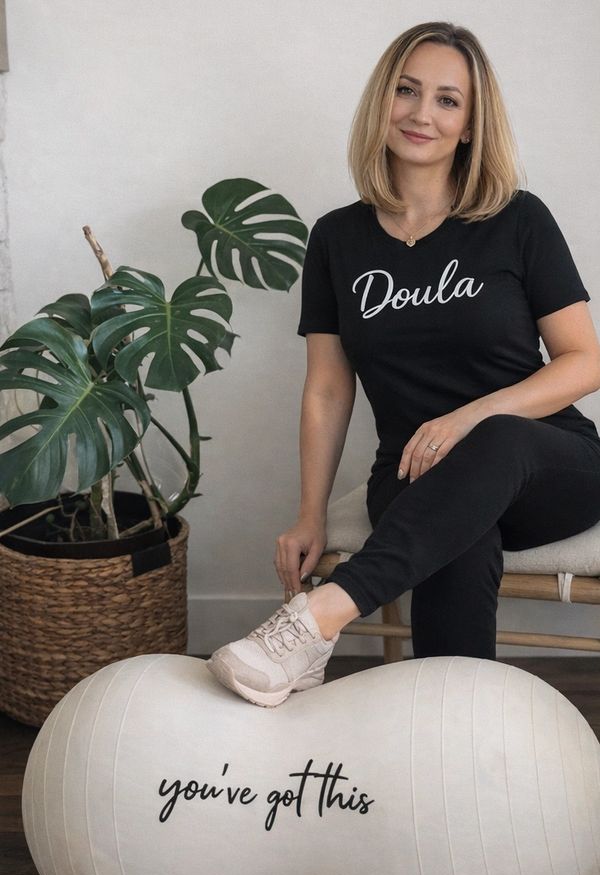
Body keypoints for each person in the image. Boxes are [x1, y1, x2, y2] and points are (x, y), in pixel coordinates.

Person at [207, 21, 600, 707]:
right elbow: (329, 389)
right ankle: (453, 734)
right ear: (381, 101)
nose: (422, 113)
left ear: (472, 124)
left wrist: (470, 416)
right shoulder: (336, 239)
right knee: (458, 536)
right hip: (415, 475)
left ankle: (318, 619)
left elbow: (585, 361)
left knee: (495, 439)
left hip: (546, 461)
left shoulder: (518, 219)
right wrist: (309, 514)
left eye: (448, 100)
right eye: (407, 90)